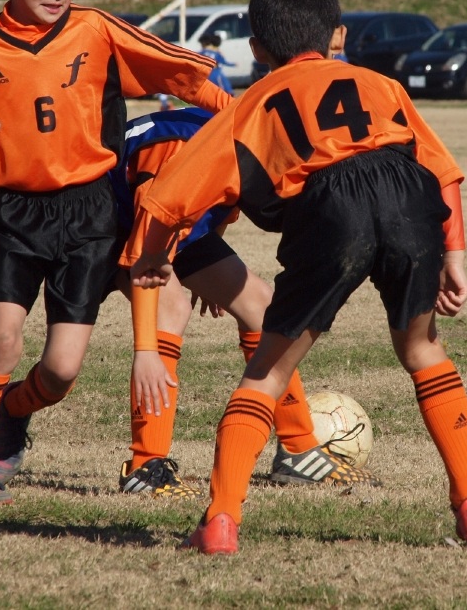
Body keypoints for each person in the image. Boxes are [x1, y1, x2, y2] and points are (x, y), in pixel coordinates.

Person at [130, 0, 467, 554]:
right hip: (406, 197)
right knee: (423, 349)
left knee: (268, 372)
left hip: (332, 207)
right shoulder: (381, 85)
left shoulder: (251, 106)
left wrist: (152, 257)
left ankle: (220, 521)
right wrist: (454, 254)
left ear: (257, 48)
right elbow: (443, 172)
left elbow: (168, 195)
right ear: (338, 36)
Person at [0, 0, 232, 506]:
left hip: (91, 213)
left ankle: (13, 412)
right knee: (2, 338)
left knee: (62, 369)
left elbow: (182, 77)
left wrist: (246, 118)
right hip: (15, 212)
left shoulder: (97, 31)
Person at [112, 106, 379, 497]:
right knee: (171, 309)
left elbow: (219, 209)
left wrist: (204, 276)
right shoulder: (185, 150)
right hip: (116, 220)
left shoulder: (246, 148)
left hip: (163, 219)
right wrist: (145, 351)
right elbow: (146, 231)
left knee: (261, 306)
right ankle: (145, 464)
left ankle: (297, 450)